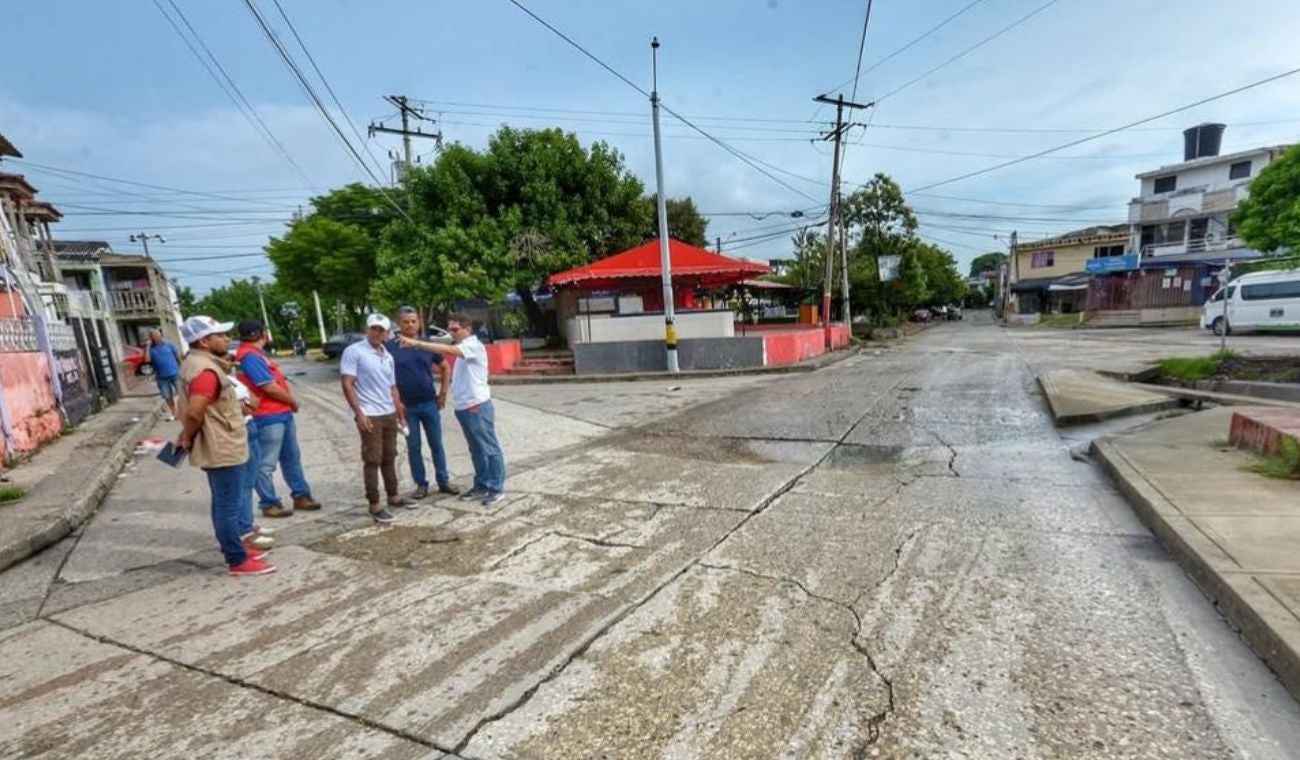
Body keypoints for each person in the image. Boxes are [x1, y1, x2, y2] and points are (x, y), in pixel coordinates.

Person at [175, 316, 274, 576]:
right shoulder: (206, 371)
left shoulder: (197, 364)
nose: (226, 339)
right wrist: (187, 436)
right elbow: (195, 412)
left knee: (223, 502)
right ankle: (236, 559)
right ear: (204, 341)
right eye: (220, 335)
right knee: (228, 506)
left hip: (219, 441)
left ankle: (233, 548)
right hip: (222, 444)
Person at [398, 313, 506, 507]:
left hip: (476, 405)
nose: (452, 333)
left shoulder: (473, 346)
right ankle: (482, 484)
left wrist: (418, 344)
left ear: (467, 329)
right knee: (476, 450)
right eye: (450, 329)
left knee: (489, 448)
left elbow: (449, 350)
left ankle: (496, 488)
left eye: (456, 329)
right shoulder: (464, 347)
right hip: (464, 406)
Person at [235, 320, 321, 519]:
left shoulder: (255, 355)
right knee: (266, 464)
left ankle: (301, 495)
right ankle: (269, 503)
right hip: (268, 416)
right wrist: (292, 401)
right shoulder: (250, 356)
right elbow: (268, 387)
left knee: (291, 459)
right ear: (262, 334)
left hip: (280, 414)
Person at [340, 314, 408, 523]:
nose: (377, 333)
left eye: (381, 330)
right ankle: (374, 503)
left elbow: (392, 387)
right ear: (367, 329)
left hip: (388, 411)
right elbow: (347, 383)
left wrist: (400, 415)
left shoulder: (387, 355)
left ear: (387, 333)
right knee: (373, 459)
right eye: (374, 328)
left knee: (389, 455)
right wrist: (359, 414)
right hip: (370, 412)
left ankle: (393, 495)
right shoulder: (355, 352)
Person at [388, 307, 459, 501]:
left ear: (419, 323)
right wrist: (396, 403)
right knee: (413, 447)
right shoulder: (391, 347)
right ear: (399, 324)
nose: (410, 325)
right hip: (406, 407)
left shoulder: (427, 344)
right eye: (406, 322)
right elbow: (386, 377)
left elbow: (445, 367)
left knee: (437, 444)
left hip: (429, 403)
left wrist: (443, 393)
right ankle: (421, 484)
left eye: (413, 321)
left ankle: (443, 480)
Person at [143, 329, 182, 420]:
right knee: (167, 396)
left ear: (161, 336)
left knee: (182, 393)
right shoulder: (151, 349)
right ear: (151, 338)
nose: (157, 338)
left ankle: (182, 411)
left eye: (158, 336)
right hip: (161, 377)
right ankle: (174, 413)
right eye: (154, 337)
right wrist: (148, 346)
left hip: (175, 373)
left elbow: (178, 357)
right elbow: (147, 360)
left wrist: (183, 368)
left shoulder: (169, 345)